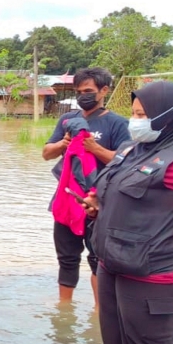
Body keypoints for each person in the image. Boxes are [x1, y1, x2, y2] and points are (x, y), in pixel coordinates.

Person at [86, 81, 173, 344]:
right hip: (114, 262)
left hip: (157, 271)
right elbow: (120, 188)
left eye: (143, 115)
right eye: (134, 114)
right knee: (116, 340)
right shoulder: (136, 148)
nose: (136, 121)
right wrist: (98, 202)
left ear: (168, 116)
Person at [42, 67, 129, 305]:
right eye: (79, 91)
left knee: (98, 259)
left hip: (101, 204)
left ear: (104, 91)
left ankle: (99, 313)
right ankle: (64, 310)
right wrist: (64, 142)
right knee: (67, 259)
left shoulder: (118, 124)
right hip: (67, 200)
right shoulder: (68, 120)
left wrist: (94, 148)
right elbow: (46, 153)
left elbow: (125, 161)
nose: (83, 95)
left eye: (88, 90)